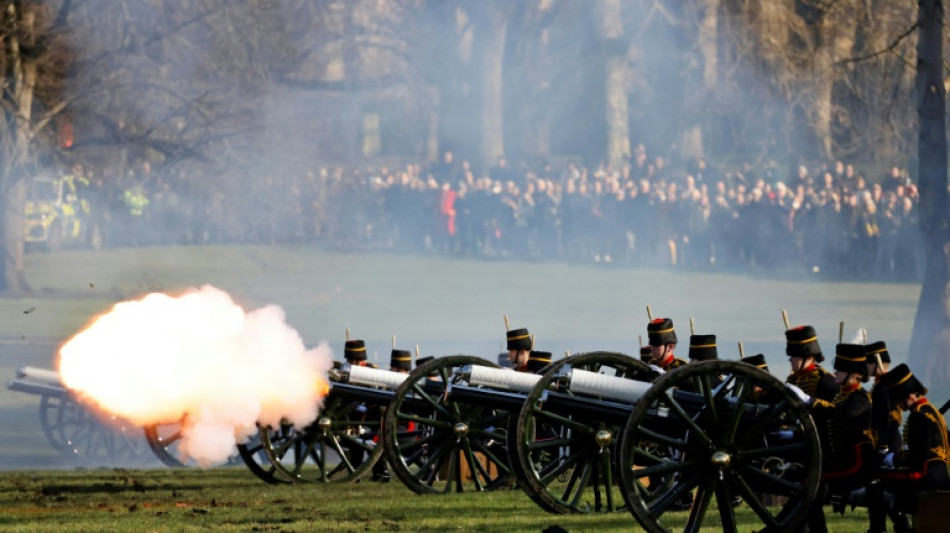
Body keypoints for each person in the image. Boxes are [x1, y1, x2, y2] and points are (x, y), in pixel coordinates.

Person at [787, 343, 873, 533]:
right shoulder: (842, 396)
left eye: (841, 370)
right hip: (842, 460)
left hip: (857, 463)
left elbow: (843, 414)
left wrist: (810, 401)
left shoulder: (860, 397)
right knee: (806, 481)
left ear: (854, 374)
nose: (836, 373)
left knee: (811, 483)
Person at [868, 364, 950, 533]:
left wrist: (893, 459)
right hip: (939, 474)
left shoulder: (918, 416)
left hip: (926, 477)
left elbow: (918, 459)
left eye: (898, 399)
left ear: (910, 395)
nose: (898, 404)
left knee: (876, 484)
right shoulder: (931, 410)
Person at [784, 325, 838, 402]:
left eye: (795, 356)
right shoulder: (792, 380)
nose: (790, 359)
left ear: (809, 357)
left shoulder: (826, 381)